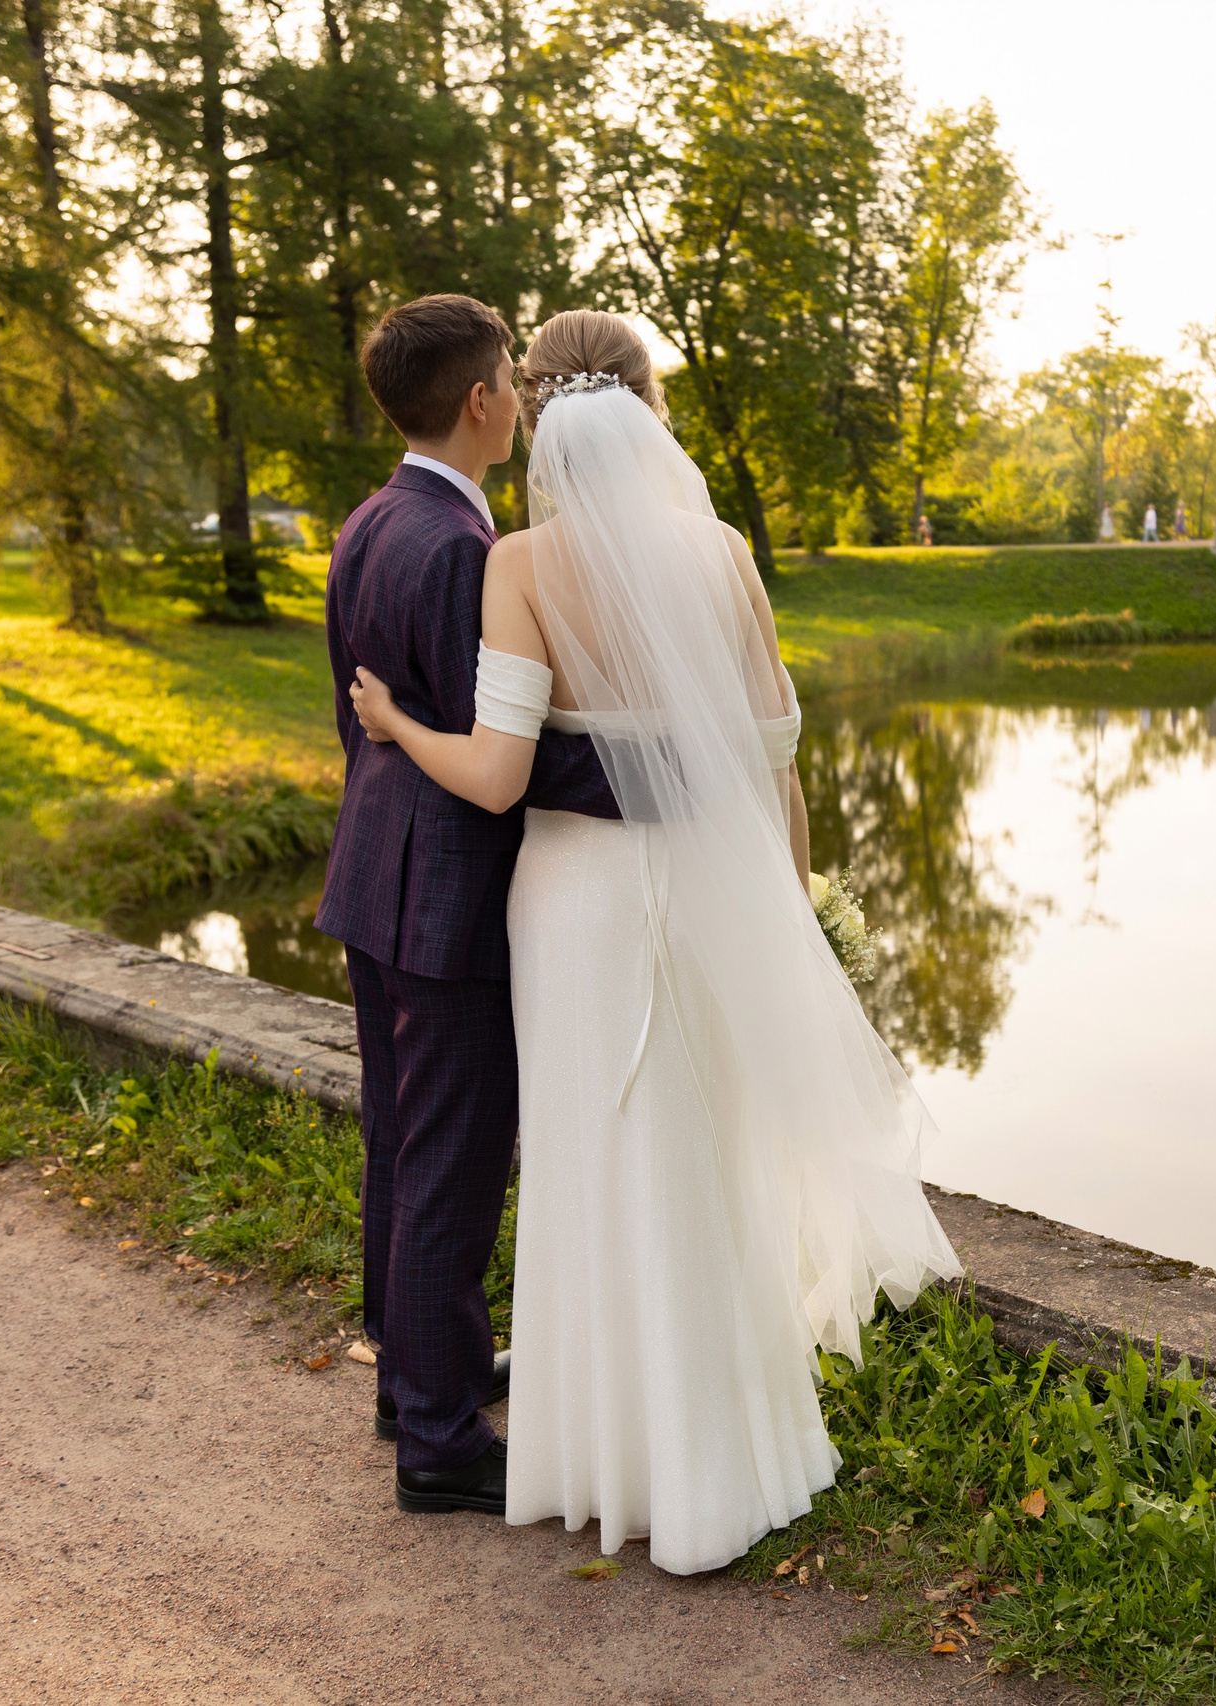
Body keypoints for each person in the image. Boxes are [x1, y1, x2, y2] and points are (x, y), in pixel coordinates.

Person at [348, 309, 961, 1574]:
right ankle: (723, 1452)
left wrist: (400, 728)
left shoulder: (519, 561)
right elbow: (777, 763)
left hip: (572, 910)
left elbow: (501, 776)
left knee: (590, 1164)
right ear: (650, 412)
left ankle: (595, 1456)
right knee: (705, 1154)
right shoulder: (727, 552)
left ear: (546, 409)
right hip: (702, 890)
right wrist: (786, 918)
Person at [315, 295, 623, 1519]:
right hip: (444, 897)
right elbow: (501, 748)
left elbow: (376, 717)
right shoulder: (460, 548)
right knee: (451, 1157)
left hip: (375, 876)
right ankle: (439, 1439)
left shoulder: (369, 521)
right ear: (484, 399)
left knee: (401, 1138)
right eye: (506, 375)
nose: (514, 394)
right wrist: (660, 768)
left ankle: (413, 1374)